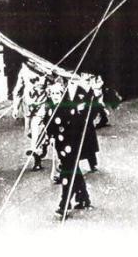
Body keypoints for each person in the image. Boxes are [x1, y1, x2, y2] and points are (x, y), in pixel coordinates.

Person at [46, 80, 92, 218]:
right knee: (74, 172)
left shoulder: (68, 108)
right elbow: (49, 126)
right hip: (61, 148)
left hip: (72, 147)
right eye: (52, 93)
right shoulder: (50, 109)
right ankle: (84, 198)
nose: (55, 96)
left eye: (57, 94)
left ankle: (64, 205)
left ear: (62, 94)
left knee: (67, 174)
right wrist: (51, 136)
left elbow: (76, 128)